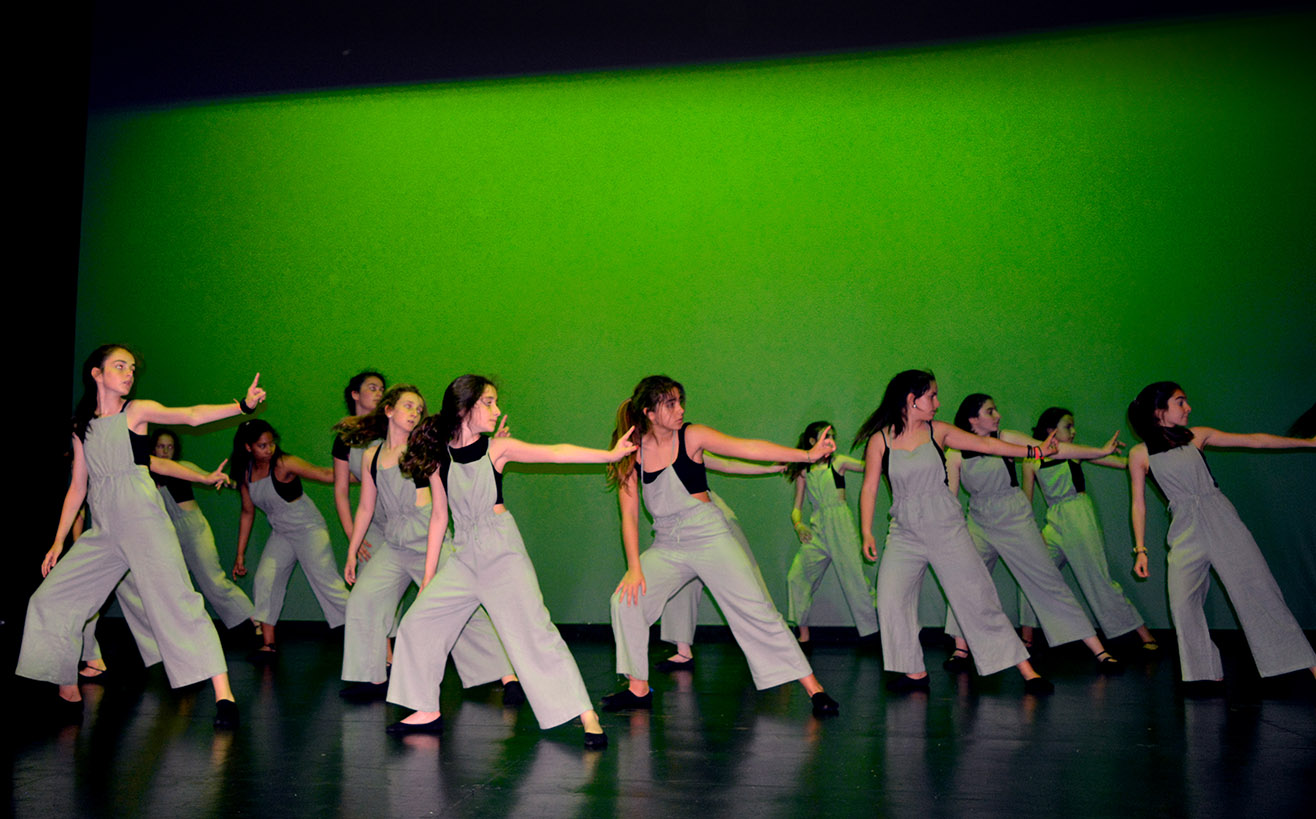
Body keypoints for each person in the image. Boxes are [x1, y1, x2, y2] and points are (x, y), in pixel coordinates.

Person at [17, 344, 261, 727]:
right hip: (104, 528)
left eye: (131, 367)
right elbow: (78, 486)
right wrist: (58, 541)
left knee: (179, 601)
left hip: (143, 520)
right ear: (96, 373)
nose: (129, 373)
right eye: (119, 366)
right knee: (51, 598)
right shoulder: (82, 426)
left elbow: (192, 417)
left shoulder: (137, 411)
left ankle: (224, 695)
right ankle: (68, 687)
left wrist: (241, 407)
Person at [386, 375, 631, 748]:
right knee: (417, 623)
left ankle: (586, 714)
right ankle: (425, 709)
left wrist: (610, 455)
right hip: (463, 555)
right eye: (489, 402)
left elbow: (556, 452)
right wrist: (429, 579)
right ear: (465, 407)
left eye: (495, 402)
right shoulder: (439, 457)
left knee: (535, 632)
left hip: (500, 551)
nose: (496, 409)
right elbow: (440, 517)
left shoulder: (497, 449)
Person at [605, 375, 840, 717]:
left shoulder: (692, 435)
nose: (680, 409)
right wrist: (634, 568)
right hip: (668, 542)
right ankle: (637, 688)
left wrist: (806, 454)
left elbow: (747, 448)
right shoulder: (631, 454)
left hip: (709, 536)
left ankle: (813, 689)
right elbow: (627, 517)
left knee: (756, 607)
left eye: (681, 401)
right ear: (650, 413)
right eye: (671, 404)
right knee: (624, 601)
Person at [855, 370, 1054, 695]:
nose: (938, 402)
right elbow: (869, 488)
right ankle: (915, 672)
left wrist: (1036, 451)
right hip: (904, 531)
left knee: (976, 596)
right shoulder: (881, 440)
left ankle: (1028, 671)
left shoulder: (940, 431)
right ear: (911, 399)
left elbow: (988, 445)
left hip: (945, 526)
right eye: (932, 396)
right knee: (891, 598)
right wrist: (866, 532)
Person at [336, 384, 520, 704]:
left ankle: (509, 676)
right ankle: (372, 676)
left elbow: (462, 463)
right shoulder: (372, 455)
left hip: (427, 539)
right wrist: (352, 551)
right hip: (394, 543)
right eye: (408, 406)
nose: (414, 413)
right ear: (389, 410)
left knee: (464, 608)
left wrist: (493, 451)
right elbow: (366, 506)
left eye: (419, 409)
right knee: (362, 599)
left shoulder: (425, 448)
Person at [1127, 382, 1316, 692]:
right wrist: (1141, 550)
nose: (1188, 408)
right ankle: (1205, 672)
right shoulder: (1140, 454)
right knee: (1182, 602)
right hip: (1184, 528)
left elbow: (1256, 441)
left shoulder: (1197, 436)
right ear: (1159, 410)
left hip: (1219, 517)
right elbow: (1138, 504)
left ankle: (1308, 664)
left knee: (1258, 589)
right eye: (1180, 402)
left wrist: (1309, 443)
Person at [940, 394, 1123, 674]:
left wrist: (1100, 451)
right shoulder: (955, 453)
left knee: (1047, 581)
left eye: (996, 409)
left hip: (1013, 515)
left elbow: (1054, 450)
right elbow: (951, 497)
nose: (998, 414)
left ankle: (1099, 650)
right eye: (991, 411)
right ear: (972, 419)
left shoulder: (1007, 437)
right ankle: (961, 647)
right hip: (979, 518)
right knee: (966, 578)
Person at [1018, 408, 1158, 653]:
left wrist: (1144, 461)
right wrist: (1030, 534)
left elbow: (1122, 463)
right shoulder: (1031, 460)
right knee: (1033, 574)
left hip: (1079, 515)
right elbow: (1026, 501)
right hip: (1055, 520)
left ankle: (1145, 635)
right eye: (1068, 426)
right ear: (1051, 430)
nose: (1073, 431)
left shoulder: (1075, 454)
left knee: (1098, 579)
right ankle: (1026, 639)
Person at [652, 455, 785, 672]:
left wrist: (768, 468)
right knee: (680, 586)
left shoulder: (685, 446)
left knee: (747, 582)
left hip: (714, 520)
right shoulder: (646, 457)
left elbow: (727, 464)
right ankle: (683, 651)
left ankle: (777, 649)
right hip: (678, 525)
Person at [231, 419, 350, 656]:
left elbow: (325, 474)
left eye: (271, 444)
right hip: (282, 533)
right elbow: (247, 512)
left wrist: (365, 476)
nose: (269, 449)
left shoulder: (284, 463)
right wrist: (240, 555)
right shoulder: (245, 473)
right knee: (265, 580)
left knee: (327, 583)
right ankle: (268, 644)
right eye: (262, 446)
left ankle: (371, 634)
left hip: (309, 529)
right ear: (248, 448)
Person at [149, 429, 257, 633]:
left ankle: (256, 620)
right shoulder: (145, 476)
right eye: (161, 446)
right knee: (170, 586)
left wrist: (234, 483)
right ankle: (183, 632)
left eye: (170, 447)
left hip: (194, 529)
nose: (165, 451)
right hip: (168, 534)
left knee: (213, 581)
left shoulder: (182, 467)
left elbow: (208, 477)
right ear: (153, 448)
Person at [785, 421, 876, 649]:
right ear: (812, 441)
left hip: (840, 523)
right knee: (798, 575)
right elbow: (796, 508)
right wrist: (799, 525)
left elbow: (870, 467)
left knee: (854, 578)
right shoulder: (804, 471)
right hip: (818, 526)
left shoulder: (839, 462)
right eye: (826, 436)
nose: (831, 440)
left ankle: (873, 634)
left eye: (833, 435)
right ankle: (803, 635)